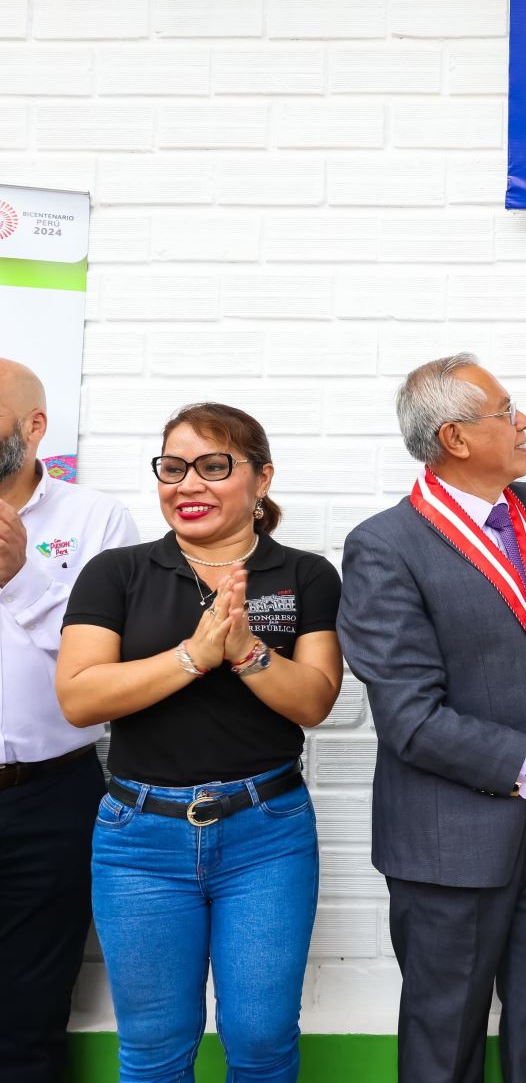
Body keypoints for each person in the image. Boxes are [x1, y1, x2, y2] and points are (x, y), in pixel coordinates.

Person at [336, 353, 526, 1083]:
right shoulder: (384, 547)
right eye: (506, 411)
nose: (523, 421)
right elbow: (409, 717)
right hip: (450, 842)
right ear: (456, 438)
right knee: (445, 1041)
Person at [56, 403, 342, 1083]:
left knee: (262, 1039)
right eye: (173, 468)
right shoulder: (116, 573)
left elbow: (314, 701)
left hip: (266, 836)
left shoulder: (303, 575)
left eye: (214, 467)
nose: (189, 485)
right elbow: (80, 697)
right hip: (139, 841)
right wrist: (194, 653)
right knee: (155, 1047)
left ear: (261, 479)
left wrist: (244, 650)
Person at [0, 359, 138, 1083]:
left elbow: (108, 661)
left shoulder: (97, 521)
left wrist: (21, 575)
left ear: (34, 428)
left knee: (29, 1009)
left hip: (49, 795)